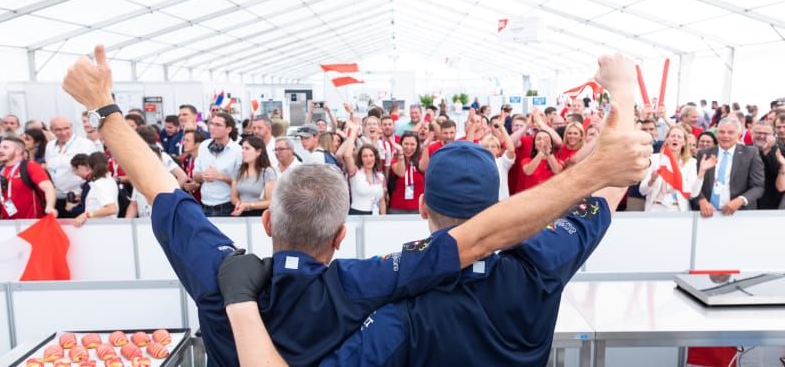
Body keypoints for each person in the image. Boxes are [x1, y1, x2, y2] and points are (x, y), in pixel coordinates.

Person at [62, 46, 651, 367]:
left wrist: (107, 108)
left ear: (268, 219)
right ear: (342, 235)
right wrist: (619, 104)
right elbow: (584, 199)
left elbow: (158, 185)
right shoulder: (387, 284)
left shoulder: (388, 302)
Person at [226, 52, 647, 367]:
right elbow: (613, 181)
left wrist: (241, 303)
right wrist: (623, 93)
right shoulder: (542, 262)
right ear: (498, 206)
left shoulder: (400, 304)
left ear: (423, 207)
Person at [694, 118, 765, 217]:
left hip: (739, 214)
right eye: (722, 132)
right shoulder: (704, 154)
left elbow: (758, 186)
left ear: (738, 135)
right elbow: (695, 182)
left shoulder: (750, 153)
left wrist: (740, 200)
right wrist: (701, 200)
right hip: (708, 214)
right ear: (716, 133)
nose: (725, 136)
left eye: (730, 132)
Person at [639, 126, 713, 212]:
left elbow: (693, 194)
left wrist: (701, 173)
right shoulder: (653, 159)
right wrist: (652, 180)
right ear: (667, 140)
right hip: (655, 208)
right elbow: (642, 191)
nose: (675, 139)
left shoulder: (691, 163)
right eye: (673, 136)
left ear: (684, 142)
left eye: (679, 137)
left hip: (679, 210)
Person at [0, 136, 57, 219]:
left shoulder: (31, 166)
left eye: (5, 147)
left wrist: (50, 206)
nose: (0, 150)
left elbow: (48, 188)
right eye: (0, 147)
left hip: (31, 223)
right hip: (7, 224)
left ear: (18, 151)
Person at [45, 116, 99, 217]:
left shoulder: (85, 144)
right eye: (58, 130)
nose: (63, 132)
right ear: (51, 130)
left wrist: (84, 194)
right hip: (58, 197)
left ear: (71, 127)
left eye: (66, 128)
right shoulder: (50, 146)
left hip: (78, 197)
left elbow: (96, 169)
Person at [194, 112, 242, 216]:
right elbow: (195, 175)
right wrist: (203, 176)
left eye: (218, 125)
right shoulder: (203, 146)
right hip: (204, 205)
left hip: (227, 205)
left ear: (228, 129)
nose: (212, 127)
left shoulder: (237, 150)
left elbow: (240, 183)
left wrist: (219, 176)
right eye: (211, 123)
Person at [339, 121, 386, 215]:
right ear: (360, 158)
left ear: (375, 157)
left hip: (375, 216)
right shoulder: (355, 172)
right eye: (365, 156)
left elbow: (382, 201)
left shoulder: (380, 176)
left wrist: (383, 219)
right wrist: (353, 132)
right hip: (357, 214)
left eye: (371, 155)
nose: (369, 159)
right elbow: (347, 156)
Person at [230, 137, 276, 217]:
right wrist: (239, 204)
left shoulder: (267, 172)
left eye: (247, 148)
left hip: (259, 215)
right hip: (240, 212)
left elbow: (270, 201)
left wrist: (249, 205)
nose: (243, 151)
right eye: (242, 148)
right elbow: (233, 196)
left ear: (258, 152)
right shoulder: (238, 170)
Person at [73, 152, 118, 227]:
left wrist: (86, 215)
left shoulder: (100, 183)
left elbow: (111, 209)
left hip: (100, 227)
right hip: (104, 226)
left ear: (88, 166)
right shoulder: (108, 180)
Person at [480, 119, 516, 200]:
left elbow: (511, 150)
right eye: (486, 146)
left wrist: (502, 128)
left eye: (493, 146)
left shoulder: (502, 162)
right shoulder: (478, 163)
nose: (489, 149)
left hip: (502, 203)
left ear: (498, 150)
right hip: (483, 203)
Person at [388, 131, 422, 214]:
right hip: (397, 208)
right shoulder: (395, 159)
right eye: (406, 144)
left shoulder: (421, 159)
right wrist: (400, 153)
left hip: (418, 208)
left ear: (417, 145)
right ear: (401, 144)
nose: (409, 147)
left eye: (412, 144)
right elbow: (401, 173)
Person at [180, 129, 206, 204]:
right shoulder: (186, 159)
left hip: (204, 203)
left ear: (197, 144)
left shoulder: (205, 160)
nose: (184, 143)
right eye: (184, 140)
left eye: (187, 140)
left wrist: (199, 185)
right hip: (192, 202)